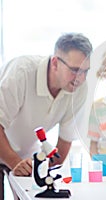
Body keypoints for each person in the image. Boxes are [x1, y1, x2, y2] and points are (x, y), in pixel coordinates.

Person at [0, 33, 92, 199]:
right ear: (55, 63)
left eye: (86, 71)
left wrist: (45, 173)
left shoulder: (79, 89)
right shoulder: (21, 72)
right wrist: (15, 163)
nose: (81, 78)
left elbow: (65, 140)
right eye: (75, 70)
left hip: (26, 153)